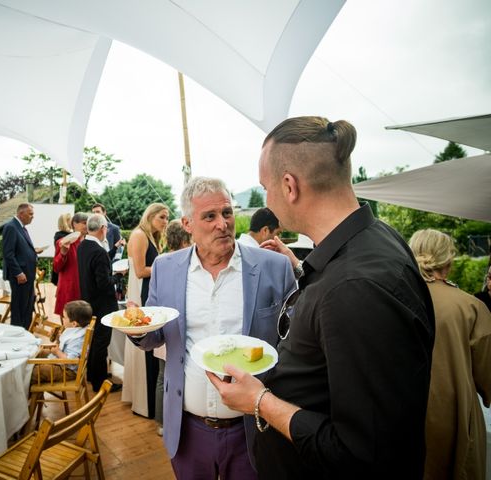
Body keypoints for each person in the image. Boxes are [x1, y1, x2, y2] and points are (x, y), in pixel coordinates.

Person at [208, 117, 435, 479]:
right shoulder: (368, 243)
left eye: (266, 187)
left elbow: (365, 454)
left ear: (289, 186)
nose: (266, 200)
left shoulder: (356, 287)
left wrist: (259, 401)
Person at [130, 176, 295, 478]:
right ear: (188, 224)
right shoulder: (166, 269)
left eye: (227, 212)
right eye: (209, 216)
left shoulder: (275, 266)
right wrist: (138, 328)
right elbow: (155, 335)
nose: (223, 223)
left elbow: (294, 339)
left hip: (254, 428)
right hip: (187, 430)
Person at [409, 229, 491, 479]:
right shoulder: (470, 306)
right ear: (448, 260)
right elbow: (487, 372)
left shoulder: (391, 298)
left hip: (403, 415)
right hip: (456, 416)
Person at [122, 203, 169, 418]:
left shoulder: (150, 236)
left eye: (167, 218)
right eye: (162, 217)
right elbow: (140, 271)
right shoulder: (140, 235)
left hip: (147, 290)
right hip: (141, 293)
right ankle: (145, 403)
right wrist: (166, 265)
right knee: (146, 347)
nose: (165, 222)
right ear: (149, 216)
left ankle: (150, 401)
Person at [77, 213, 125, 393]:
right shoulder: (97, 251)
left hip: (89, 301)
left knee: (94, 341)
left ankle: (92, 375)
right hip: (103, 304)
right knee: (101, 344)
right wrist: (118, 275)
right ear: (103, 228)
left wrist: (111, 252)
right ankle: (99, 381)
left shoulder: (83, 246)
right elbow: (104, 283)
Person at [153, 219, 192, 436]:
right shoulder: (169, 263)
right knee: (166, 377)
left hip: (164, 328)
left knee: (163, 376)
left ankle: (163, 421)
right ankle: (168, 419)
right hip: (170, 331)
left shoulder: (161, 259)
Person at [31, 300, 93, 383]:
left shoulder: (77, 340)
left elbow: (71, 361)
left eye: (64, 317)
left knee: (35, 372)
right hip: (62, 362)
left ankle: (36, 395)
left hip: (67, 370)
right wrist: (58, 338)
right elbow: (66, 346)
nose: (62, 319)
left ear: (74, 323)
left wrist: (57, 352)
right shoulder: (76, 330)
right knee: (39, 353)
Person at [2, 203, 39, 329]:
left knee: (27, 306)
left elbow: (20, 250)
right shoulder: (11, 227)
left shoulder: (21, 227)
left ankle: (25, 331)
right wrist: (18, 273)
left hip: (28, 274)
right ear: (21, 213)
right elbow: (8, 254)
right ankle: (17, 333)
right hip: (20, 276)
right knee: (19, 307)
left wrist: (33, 251)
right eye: (30, 214)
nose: (32, 217)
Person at [53, 213, 88, 320]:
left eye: (88, 223)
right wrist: (63, 253)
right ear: (74, 224)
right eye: (84, 223)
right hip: (70, 288)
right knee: (68, 320)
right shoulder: (64, 242)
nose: (87, 225)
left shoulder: (90, 242)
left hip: (86, 289)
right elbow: (56, 267)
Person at [51, 213, 73, 285]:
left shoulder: (61, 235)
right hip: (63, 268)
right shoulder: (62, 237)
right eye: (71, 220)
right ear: (66, 221)